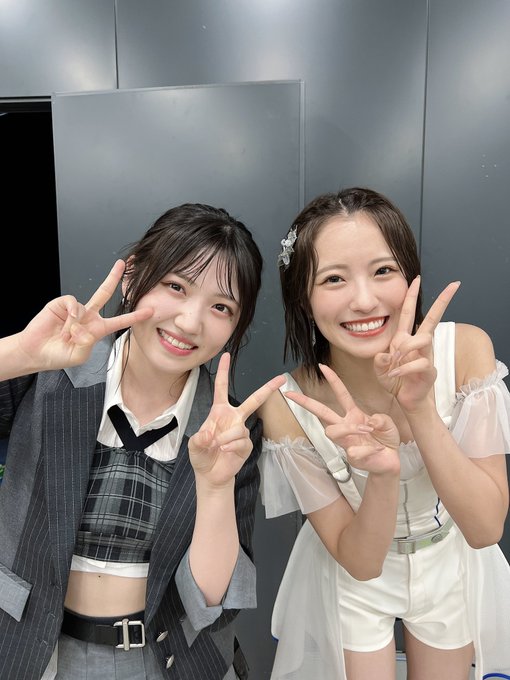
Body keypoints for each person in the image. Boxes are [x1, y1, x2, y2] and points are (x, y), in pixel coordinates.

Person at [0, 202, 284, 680]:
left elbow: (211, 601)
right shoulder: (48, 376)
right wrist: (20, 355)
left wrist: (215, 486)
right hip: (32, 654)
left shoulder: (229, 430)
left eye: (221, 307)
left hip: (163, 662)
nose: (190, 322)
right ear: (132, 278)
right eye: (176, 286)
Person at [258, 187, 510, 680]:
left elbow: (484, 529)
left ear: (409, 276)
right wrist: (381, 473)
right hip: (352, 568)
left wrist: (420, 410)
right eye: (333, 279)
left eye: (383, 270)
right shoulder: (289, 404)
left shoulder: (465, 350)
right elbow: (361, 563)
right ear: (303, 299)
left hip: (450, 555)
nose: (364, 300)